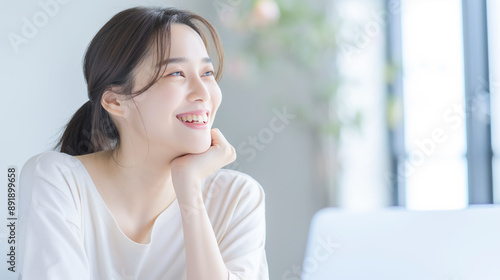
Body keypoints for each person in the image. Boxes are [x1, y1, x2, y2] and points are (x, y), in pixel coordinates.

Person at [17, 6, 269, 280]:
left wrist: (189, 192)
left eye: (207, 73)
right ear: (115, 101)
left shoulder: (238, 198)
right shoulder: (56, 180)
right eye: (176, 74)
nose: (203, 93)